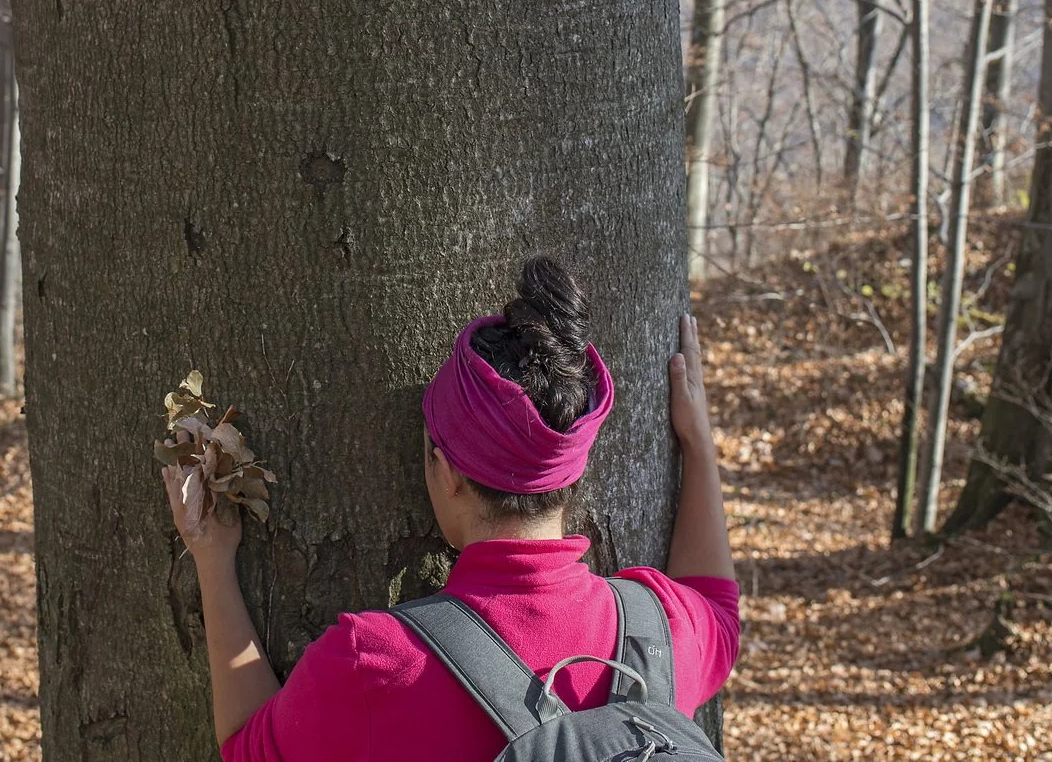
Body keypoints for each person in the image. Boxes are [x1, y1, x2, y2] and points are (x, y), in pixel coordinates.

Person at [162, 255, 739, 761]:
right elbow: (719, 609)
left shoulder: (378, 663)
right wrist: (698, 445)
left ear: (449, 473)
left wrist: (212, 559)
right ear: (572, 471)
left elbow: (246, 745)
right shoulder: (663, 628)